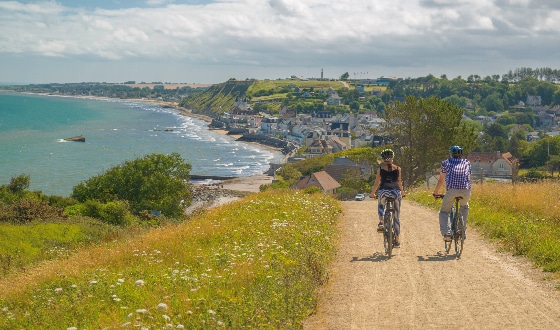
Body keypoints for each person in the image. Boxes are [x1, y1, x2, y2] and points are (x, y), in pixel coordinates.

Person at [433, 145, 472, 242]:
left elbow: (441, 180)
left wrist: (435, 192)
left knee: (444, 212)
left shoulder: (446, 162)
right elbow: (468, 178)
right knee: (464, 207)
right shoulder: (467, 162)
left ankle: (447, 233)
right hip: (466, 191)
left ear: (451, 153)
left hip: (452, 190)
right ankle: (461, 230)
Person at [370, 148, 405, 247]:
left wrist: (373, 193)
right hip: (395, 192)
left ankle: (381, 221)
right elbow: (399, 182)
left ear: (383, 159)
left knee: (381, 204)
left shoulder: (380, 169)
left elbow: (377, 183)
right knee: (396, 217)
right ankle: (397, 240)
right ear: (392, 158)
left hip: (383, 191)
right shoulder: (398, 169)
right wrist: (402, 192)